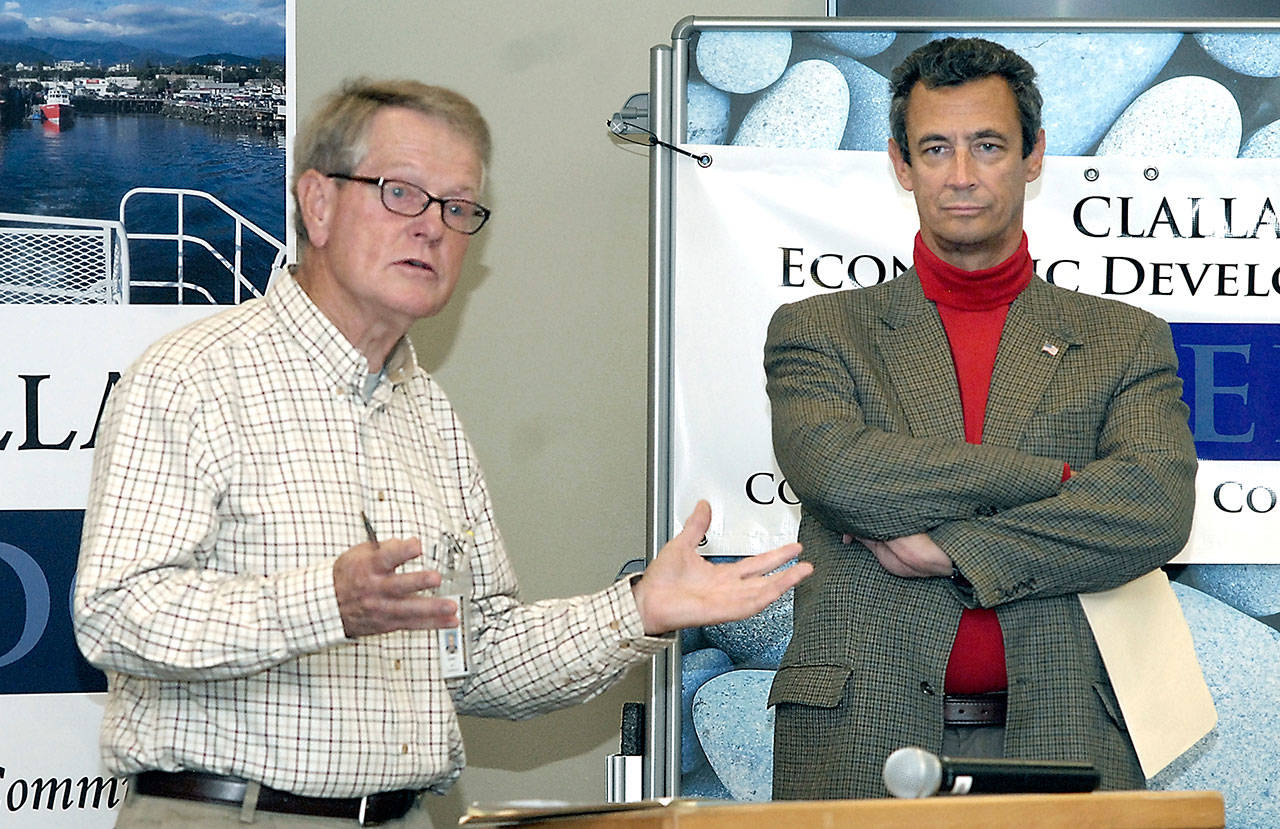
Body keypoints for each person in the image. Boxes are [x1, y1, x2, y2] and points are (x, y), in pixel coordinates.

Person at [73, 78, 811, 827]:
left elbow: (476, 654)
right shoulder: (193, 375)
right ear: (317, 203)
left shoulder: (427, 413)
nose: (432, 227)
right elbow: (114, 614)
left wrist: (638, 608)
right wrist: (326, 602)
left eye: (458, 208)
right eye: (401, 193)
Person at [764, 37, 1197, 800]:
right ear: (901, 164)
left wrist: (954, 552)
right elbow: (840, 471)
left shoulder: (1125, 338)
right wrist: (1062, 482)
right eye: (935, 148)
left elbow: (1153, 508)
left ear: (1033, 157)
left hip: (1066, 727)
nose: (960, 175)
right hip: (864, 733)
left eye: (987, 145)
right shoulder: (819, 330)